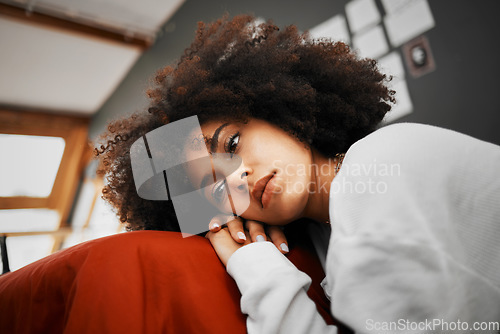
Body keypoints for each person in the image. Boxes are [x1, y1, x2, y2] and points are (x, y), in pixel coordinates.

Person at [96, 15, 500, 333]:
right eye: (214, 187)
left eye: (232, 146)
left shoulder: (377, 179)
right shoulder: (332, 232)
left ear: (276, 113)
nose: (238, 177)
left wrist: (257, 271)